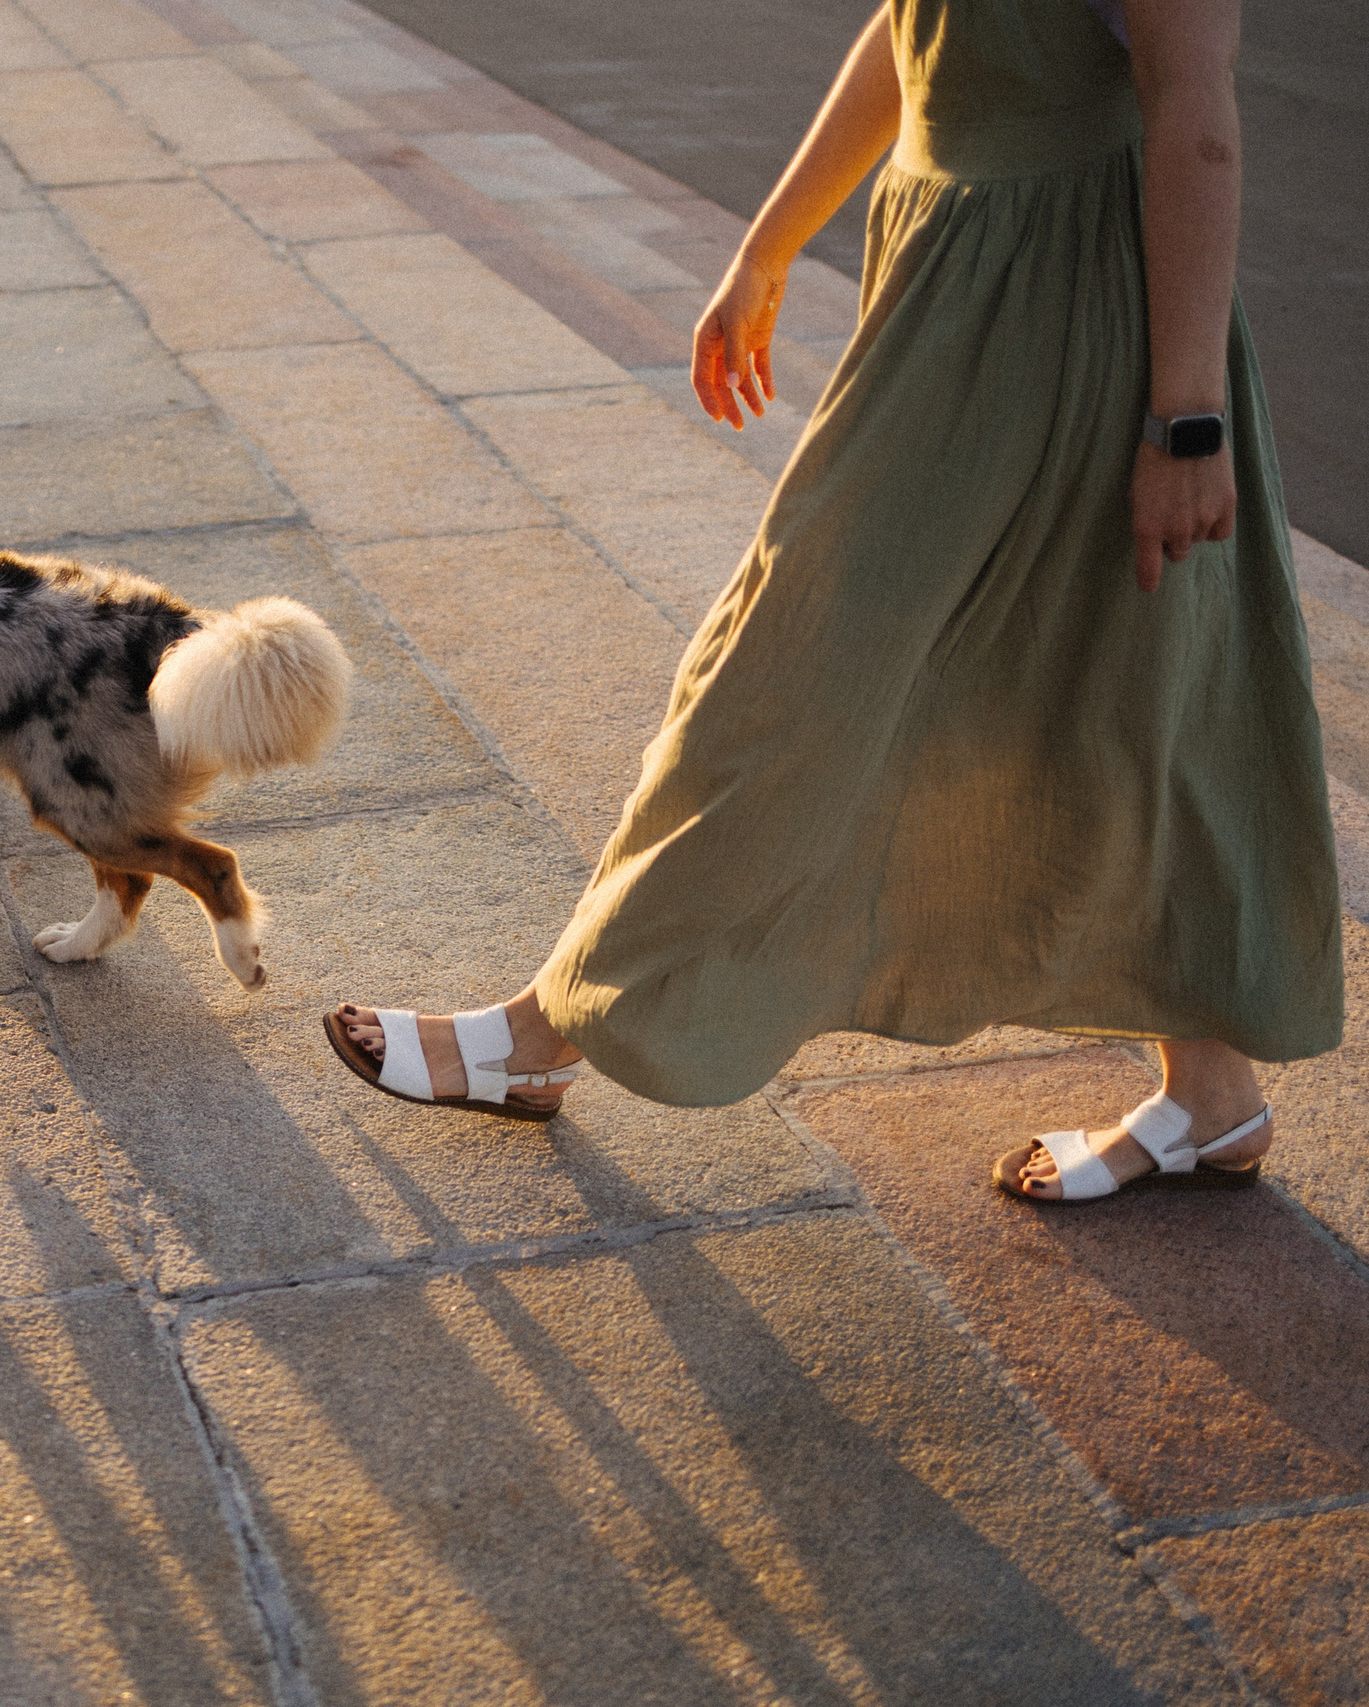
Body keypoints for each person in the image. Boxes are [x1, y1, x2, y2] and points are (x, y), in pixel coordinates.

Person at [325, 0, 1344, 1204]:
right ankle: (1212, 1098)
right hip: (968, 279)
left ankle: (547, 1029)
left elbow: (1195, 117)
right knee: (1122, 677)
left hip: (1066, 304)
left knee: (795, 663)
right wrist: (769, 241)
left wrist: (1183, 417)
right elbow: (910, 25)